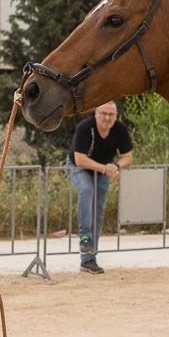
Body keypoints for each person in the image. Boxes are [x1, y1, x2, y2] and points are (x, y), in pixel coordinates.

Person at [68, 100, 134, 274]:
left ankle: (89, 260)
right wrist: (106, 168)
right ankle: (84, 237)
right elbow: (79, 159)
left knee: (98, 212)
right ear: (96, 113)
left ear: (116, 116)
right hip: (79, 168)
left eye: (111, 114)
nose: (107, 118)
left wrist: (117, 166)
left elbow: (128, 157)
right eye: (103, 113)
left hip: (103, 170)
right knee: (87, 190)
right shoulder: (85, 128)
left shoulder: (120, 129)